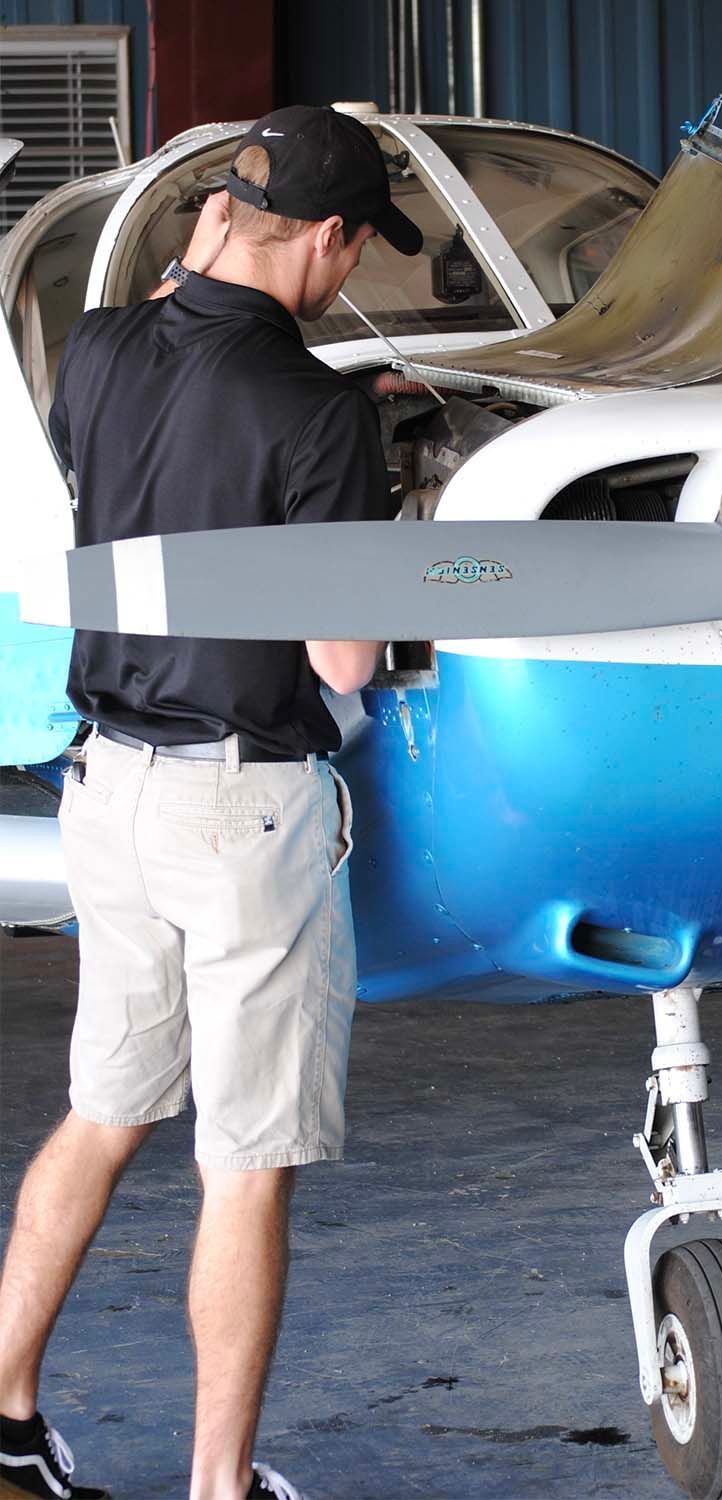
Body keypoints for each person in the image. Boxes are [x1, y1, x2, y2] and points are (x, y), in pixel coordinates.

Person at [0, 105, 423, 1500]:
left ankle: (3, 1420)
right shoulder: (315, 409)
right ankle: (220, 1489)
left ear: (218, 212)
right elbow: (345, 659)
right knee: (248, 1163)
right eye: (355, 247)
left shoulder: (102, 349)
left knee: (104, 1112)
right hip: (240, 815)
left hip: (107, 790)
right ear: (329, 237)